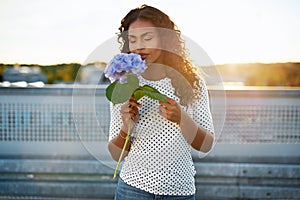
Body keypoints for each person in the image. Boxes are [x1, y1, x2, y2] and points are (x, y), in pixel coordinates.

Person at [107, 5, 214, 200]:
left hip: (179, 191)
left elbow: (206, 144)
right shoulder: (123, 81)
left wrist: (182, 119)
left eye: (147, 38)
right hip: (132, 189)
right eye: (133, 39)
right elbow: (116, 154)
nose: (139, 46)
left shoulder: (192, 82)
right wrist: (126, 127)